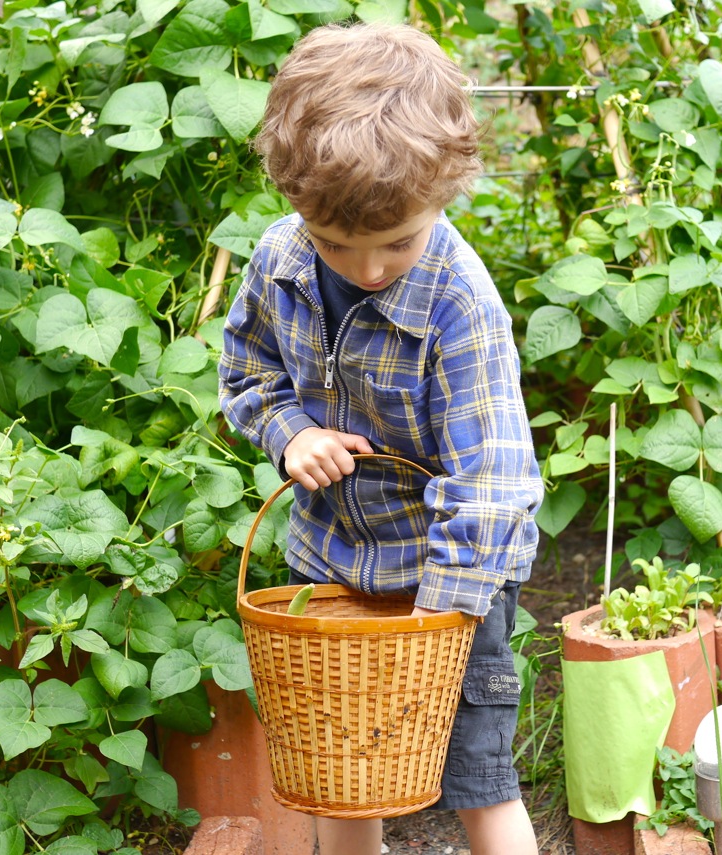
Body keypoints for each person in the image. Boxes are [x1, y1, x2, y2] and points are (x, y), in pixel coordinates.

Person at [218, 21, 542, 855]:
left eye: (398, 242)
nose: (367, 269)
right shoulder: (279, 262)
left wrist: (438, 619)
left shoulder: (459, 303)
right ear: (296, 207)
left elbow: (493, 482)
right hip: (334, 569)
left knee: (480, 776)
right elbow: (247, 376)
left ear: (447, 190)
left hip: (451, 589)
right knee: (342, 772)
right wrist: (291, 435)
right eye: (336, 245)